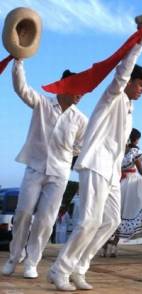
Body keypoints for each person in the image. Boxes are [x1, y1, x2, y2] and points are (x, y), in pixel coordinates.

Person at [48, 31, 142, 291]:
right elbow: (121, 73)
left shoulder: (129, 107)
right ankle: (60, 269)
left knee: (111, 221)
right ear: (129, 82)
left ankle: (79, 268)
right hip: (95, 163)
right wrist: (138, 44)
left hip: (112, 170)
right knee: (89, 221)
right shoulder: (113, 96)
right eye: (141, 84)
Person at [2, 61, 87, 279]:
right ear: (64, 86)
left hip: (59, 174)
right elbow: (21, 88)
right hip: (35, 168)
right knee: (23, 214)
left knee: (46, 219)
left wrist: (68, 157)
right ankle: (14, 257)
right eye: (77, 88)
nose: (81, 94)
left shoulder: (80, 119)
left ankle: (32, 262)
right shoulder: (42, 104)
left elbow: (81, 145)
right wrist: (18, 61)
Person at [103, 128, 142, 257]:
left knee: (116, 214)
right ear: (137, 139)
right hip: (131, 184)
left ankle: (106, 243)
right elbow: (141, 170)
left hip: (117, 182)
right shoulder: (135, 152)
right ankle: (113, 245)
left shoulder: (120, 150)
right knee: (128, 213)